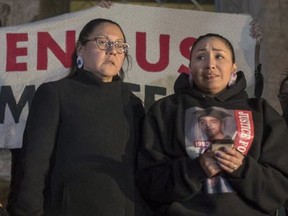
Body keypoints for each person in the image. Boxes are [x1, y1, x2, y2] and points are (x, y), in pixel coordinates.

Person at [7, 18, 151, 216]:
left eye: (119, 45)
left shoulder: (133, 104)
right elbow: (34, 165)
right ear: (81, 49)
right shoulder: (55, 93)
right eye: (103, 42)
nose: (113, 50)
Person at [136, 33, 288, 216]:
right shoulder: (165, 110)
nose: (210, 64)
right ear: (190, 67)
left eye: (219, 56)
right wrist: (195, 169)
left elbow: (279, 188)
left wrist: (242, 168)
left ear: (234, 68)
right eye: (200, 57)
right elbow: (150, 183)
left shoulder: (261, 112)